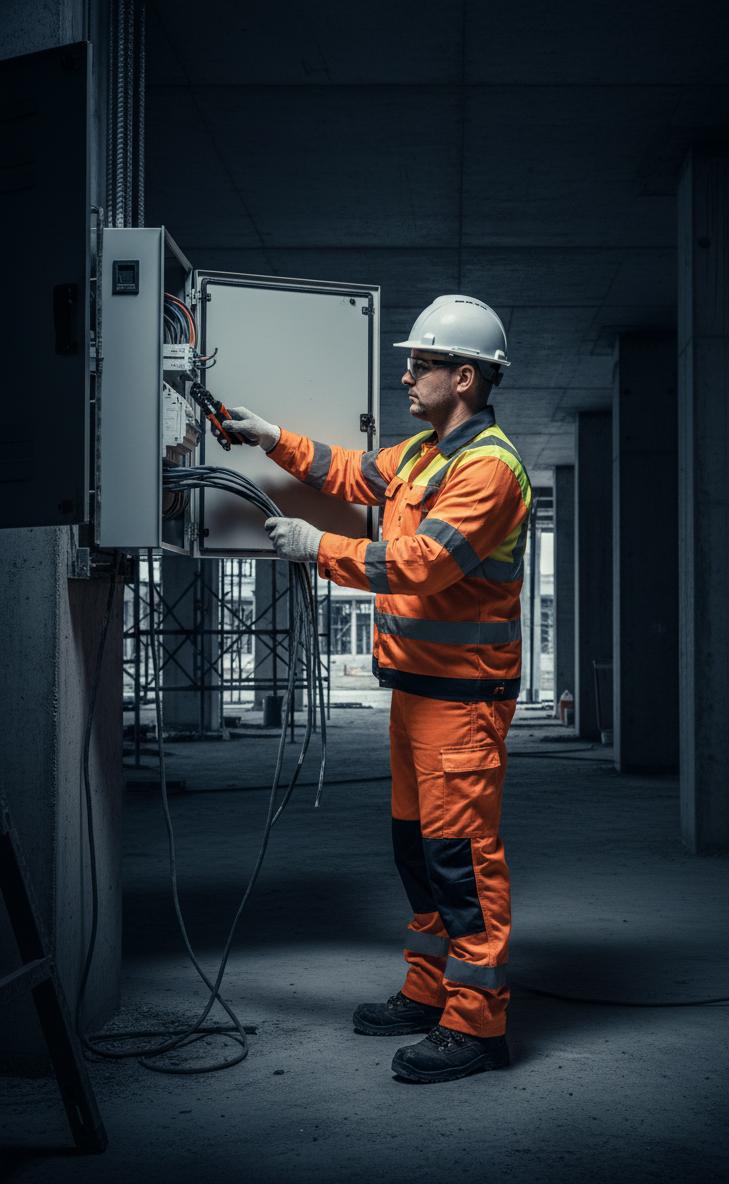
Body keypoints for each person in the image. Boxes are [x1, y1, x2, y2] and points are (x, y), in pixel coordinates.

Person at [224, 295, 532, 1083]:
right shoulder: (425, 454)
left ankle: (478, 1026)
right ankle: (430, 991)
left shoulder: (488, 469)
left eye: (420, 364)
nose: (405, 376)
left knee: (460, 860)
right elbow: (350, 471)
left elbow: (426, 563)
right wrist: (270, 436)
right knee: (416, 851)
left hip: (464, 701)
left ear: (464, 377)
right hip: (418, 694)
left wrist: (316, 546)